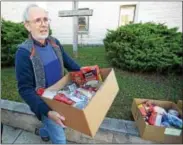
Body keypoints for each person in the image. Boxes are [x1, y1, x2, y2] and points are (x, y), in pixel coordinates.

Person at [15, 4, 81, 144]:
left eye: (45, 19)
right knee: (60, 137)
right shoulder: (24, 52)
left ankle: (44, 131)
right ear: (27, 25)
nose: (43, 24)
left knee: (59, 125)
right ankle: (48, 127)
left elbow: (68, 62)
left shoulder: (54, 42)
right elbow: (25, 89)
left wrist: (86, 73)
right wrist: (48, 111)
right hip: (46, 103)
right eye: (38, 20)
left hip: (62, 96)